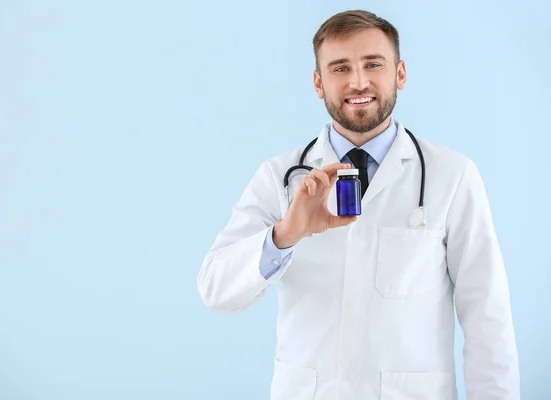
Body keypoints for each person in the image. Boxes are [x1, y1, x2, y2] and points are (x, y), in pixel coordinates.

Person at [197, 9, 520, 400]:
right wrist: (286, 235)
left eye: (373, 64)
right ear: (318, 83)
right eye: (339, 68)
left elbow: (487, 318)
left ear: (399, 74)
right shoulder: (279, 178)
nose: (358, 82)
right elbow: (215, 289)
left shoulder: (452, 176)